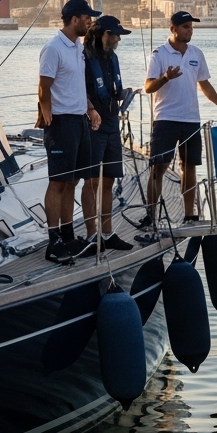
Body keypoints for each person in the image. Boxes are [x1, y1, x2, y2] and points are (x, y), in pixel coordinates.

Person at [140, 11, 217, 228]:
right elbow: (148, 87)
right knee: (159, 167)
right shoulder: (159, 54)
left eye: (191, 27)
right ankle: (151, 214)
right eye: (186, 26)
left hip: (191, 119)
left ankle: (189, 215)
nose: (190, 30)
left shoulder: (196, 53)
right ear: (173, 28)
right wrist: (165, 77)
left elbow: (204, 83)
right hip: (165, 118)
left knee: (190, 167)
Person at [37, 0, 100, 263]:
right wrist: (47, 112)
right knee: (58, 182)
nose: (90, 21)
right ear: (74, 19)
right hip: (61, 123)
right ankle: (53, 243)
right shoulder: (53, 48)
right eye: (87, 17)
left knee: (72, 181)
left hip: (79, 121)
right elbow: (44, 85)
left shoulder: (77, 48)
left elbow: (77, 85)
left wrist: (90, 108)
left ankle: (68, 234)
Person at [82, 15, 136, 254]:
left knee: (109, 179)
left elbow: (111, 86)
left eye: (118, 36)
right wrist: (90, 108)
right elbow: (76, 88)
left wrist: (122, 94)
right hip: (92, 124)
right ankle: (92, 234)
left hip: (112, 121)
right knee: (91, 180)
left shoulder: (111, 58)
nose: (117, 39)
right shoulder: (83, 57)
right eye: (113, 35)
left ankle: (107, 231)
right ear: (101, 34)